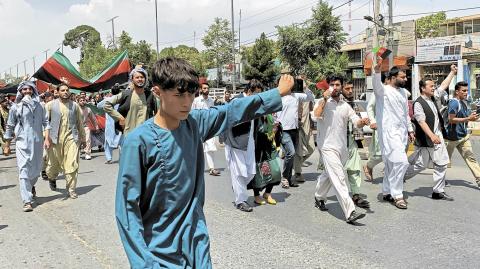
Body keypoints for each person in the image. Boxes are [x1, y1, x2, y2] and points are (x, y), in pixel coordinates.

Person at [115, 57, 292, 268]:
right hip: (158, 252)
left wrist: (276, 93)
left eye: (191, 94)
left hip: (196, 242)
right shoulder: (138, 142)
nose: (187, 102)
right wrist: (143, 262)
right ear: (157, 91)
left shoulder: (195, 124)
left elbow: (233, 110)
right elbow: (126, 209)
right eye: (179, 95)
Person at [311, 75, 370, 224]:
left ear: (341, 87)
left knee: (328, 175)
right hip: (327, 147)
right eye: (332, 84)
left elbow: (356, 122)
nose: (335, 87)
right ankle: (350, 212)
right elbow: (315, 116)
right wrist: (324, 99)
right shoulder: (322, 102)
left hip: (342, 148)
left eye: (338, 85)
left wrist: (362, 122)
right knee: (339, 177)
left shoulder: (345, 105)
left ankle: (319, 197)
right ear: (328, 86)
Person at [372, 59, 414, 209]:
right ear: (393, 77)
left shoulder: (403, 92)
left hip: (401, 132)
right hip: (389, 133)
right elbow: (376, 86)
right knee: (402, 162)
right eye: (402, 77)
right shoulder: (384, 91)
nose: (405, 79)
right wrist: (377, 72)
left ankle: (386, 191)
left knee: (391, 164)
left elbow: (405, 114)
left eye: (406, 77)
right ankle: (398, 195)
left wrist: (409, 129)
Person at [3, 82, 51, 212]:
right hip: (22, 143)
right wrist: (7, 144)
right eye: (24, 89)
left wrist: (47, 138)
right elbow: (10, 126)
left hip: (37, 142)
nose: (27, 91)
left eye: (30, 89)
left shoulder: (40, 106)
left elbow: (46, 122)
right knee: (24, 170)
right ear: (20, 91)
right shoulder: (15, 107)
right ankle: (27, 201)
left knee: (36, 170)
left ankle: (30, 186)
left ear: (33, 91)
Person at [404, 78, 453, 200]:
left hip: (438, 137)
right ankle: (399, 176)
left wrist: (452, 72)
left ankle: (438, 191)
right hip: (427, 138)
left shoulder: (433, 97)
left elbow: (443, 85)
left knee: (441, 164)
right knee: (421, 164)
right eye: (431, 86)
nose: (433, 88)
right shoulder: (418, 103)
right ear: (423, 88)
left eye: (433, 86)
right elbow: (421, 122)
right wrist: (432, 136)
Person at [222, 80, 265, 212]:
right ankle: (240, 201)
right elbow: (228, 120)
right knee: (239, 171)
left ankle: (238, 187)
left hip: (250, 140)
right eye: (256, 93)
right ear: (250, 91)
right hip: (236, 141)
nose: (258, 97)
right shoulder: (237, 101)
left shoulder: (255, 103)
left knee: (251, 171)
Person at [45, 83, 86, 199]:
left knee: (72, 163)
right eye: (62, 90)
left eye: (67, 90)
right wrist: (46, 138)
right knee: (53, 166)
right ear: (57, 92)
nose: (65, 92)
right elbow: (45, 123)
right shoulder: (50, 105)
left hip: (72, 138)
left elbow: (79, 123)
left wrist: (83, 138)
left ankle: (71, 189)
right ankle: (52, 178)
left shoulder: (75, 106)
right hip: (54, 140)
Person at [276, 76, 315, 188]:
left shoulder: (296, 96)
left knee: (292, 155)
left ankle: (288, 178)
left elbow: (310, 97)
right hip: (284, 131)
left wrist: (305, 87)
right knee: (291, 153)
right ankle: (285, 177)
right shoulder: (277, 97)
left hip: (294, 130)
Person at [445, 81, 480, 187]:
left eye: (467, 90)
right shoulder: (454, 102)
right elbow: (451, 119)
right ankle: (440, 179)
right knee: (445, 162)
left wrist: (472, 116)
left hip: (463, 137)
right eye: (463, 91)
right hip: (451, 138)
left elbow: (464, 117)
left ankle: (479, 179)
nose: (466, 93)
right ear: (457, 91)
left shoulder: (464, 102)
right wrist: (468, 118)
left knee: (471, 158)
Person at [103, 67, 157, 136]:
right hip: (129, 135)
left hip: (146, 135)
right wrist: (120, 118)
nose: (140, 79)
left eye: (142, 77)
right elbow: (107, 105)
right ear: (132, 79)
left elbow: (156, 113)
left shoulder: (150, 95)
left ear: (145, 79)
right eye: (137, 77)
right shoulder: (126, 94)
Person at [342, 80, 370, 208]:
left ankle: (356, 196)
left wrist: (363, 121)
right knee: (331, 173)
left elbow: (357, 123)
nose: (350, 91)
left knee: (354, 169)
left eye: (351, 88)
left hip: (352, 141)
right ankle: (320, 197)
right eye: (347, 88)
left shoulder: (353, 104)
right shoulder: (336, 104)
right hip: (338, 143)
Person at [363, 73, 389, 181]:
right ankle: (368, 166)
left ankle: (390, 174)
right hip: (380, 127)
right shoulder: (379, 91)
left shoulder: (397, 91)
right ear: (387, 80)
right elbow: (370, 106)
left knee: (391, 152)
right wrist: (373, 121)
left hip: (393, 128)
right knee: (380, 154)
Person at [192, 83, 221, 176]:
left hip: (208, 127)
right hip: (197, 127)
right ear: (201, 89)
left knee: (210, 148)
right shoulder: (196, 100)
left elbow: (212, 113)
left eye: (207, 88)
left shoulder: (211, 101)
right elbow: (192, 113)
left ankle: (212, 168)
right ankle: (194, 169)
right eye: (204, 88)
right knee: (197, 148)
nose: (206, 89)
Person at [293, 79, 315, 183]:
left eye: (303, 82)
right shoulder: (294, 95)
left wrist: (311, 124)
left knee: (311, 148)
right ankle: (298, 173)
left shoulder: (308, 94)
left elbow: (312, 108)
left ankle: (297, 163)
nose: (302, 84)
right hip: (298, 125)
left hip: (307, 125)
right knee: (299, 150)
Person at [97, 84, 123, 164]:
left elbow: (98, 106)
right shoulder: (122, 99)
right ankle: (122, 158)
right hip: (120, 122)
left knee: (108, 141)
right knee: (121, 141)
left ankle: (109, 158)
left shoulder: (108, 100)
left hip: (110, 124)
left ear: (111, 92)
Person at [78, 95, 99, 160]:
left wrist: (96, 127)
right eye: (80, 101)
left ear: (85, 101)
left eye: (83, 100)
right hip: (77, 127)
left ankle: (87, 154)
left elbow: (93, 119)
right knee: (78, 141)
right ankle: (77, 152)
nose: (82, 102)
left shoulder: (88, 109)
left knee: (87, 140)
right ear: (78, 102)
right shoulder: (76, 109)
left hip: (85, 126)